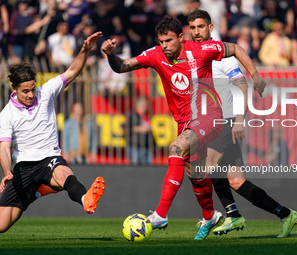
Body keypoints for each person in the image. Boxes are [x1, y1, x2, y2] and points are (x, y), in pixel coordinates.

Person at [101, 15, 266, 240]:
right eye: (161, 42)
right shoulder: (155, 54)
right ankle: (210, 216)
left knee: (177, 148)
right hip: (185, 122)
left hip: (209, 115)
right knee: (196, 175)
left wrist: (255, 76)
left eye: (168, 41)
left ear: (181, 37)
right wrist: (111, 55)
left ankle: (160, 214)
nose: (164, 46)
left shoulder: (201, 50)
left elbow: (235, 48)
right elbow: (121, 67)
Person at [188, 9, 297, 238]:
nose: (196, 32)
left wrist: (239, 119)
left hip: (226, 121)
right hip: (210, 123)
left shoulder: (221, 55)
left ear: (210, 28)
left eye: (201, 27)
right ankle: (285, 214)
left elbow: (241, 86)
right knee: (237, 181)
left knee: (203, 169)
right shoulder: (191, 56)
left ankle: (220, 216)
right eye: (192, 28)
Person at [0, 32, 105, 233]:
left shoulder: (45, 91)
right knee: (2, 225)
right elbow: (4, 148)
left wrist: (85, 50)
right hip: (23, 168)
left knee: (64, 174)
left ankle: (86, 198)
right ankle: (38, 191)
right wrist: (6, 171)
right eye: (25, 91)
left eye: (32, 89)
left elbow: (73, 70)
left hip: (50, 158)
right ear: (14, 89)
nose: (31, 94)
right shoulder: (6, 114)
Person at [126, 96, 153, 165]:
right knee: (136, 169)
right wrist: (139, 129)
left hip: (147, 145)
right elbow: (126, 128)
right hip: (135, 146)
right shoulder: (132, 115)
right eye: (144, 104)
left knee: (148, 169)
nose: (146, 106)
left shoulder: (146, 115)